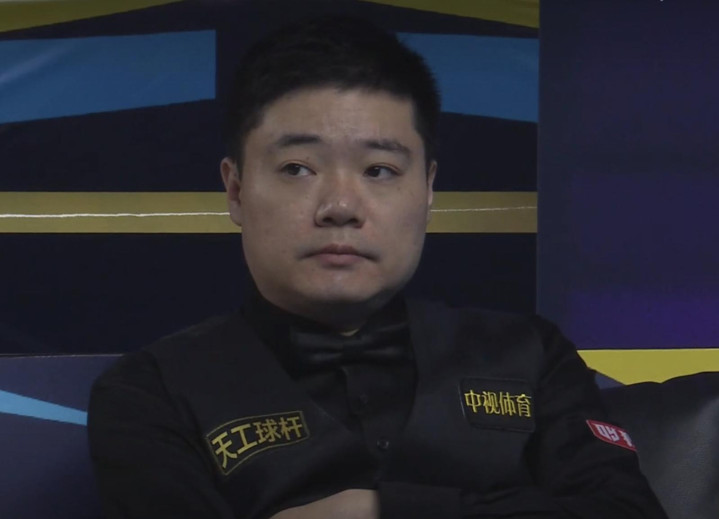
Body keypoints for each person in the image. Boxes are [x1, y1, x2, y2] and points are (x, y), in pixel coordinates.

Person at [88, 15, 668, 519]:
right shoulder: (152, 393)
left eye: (379, 171)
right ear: (236, 190)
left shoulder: (532, 357)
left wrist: (383, 511)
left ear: (429, 189)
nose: (340, 207)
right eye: (297, 168)